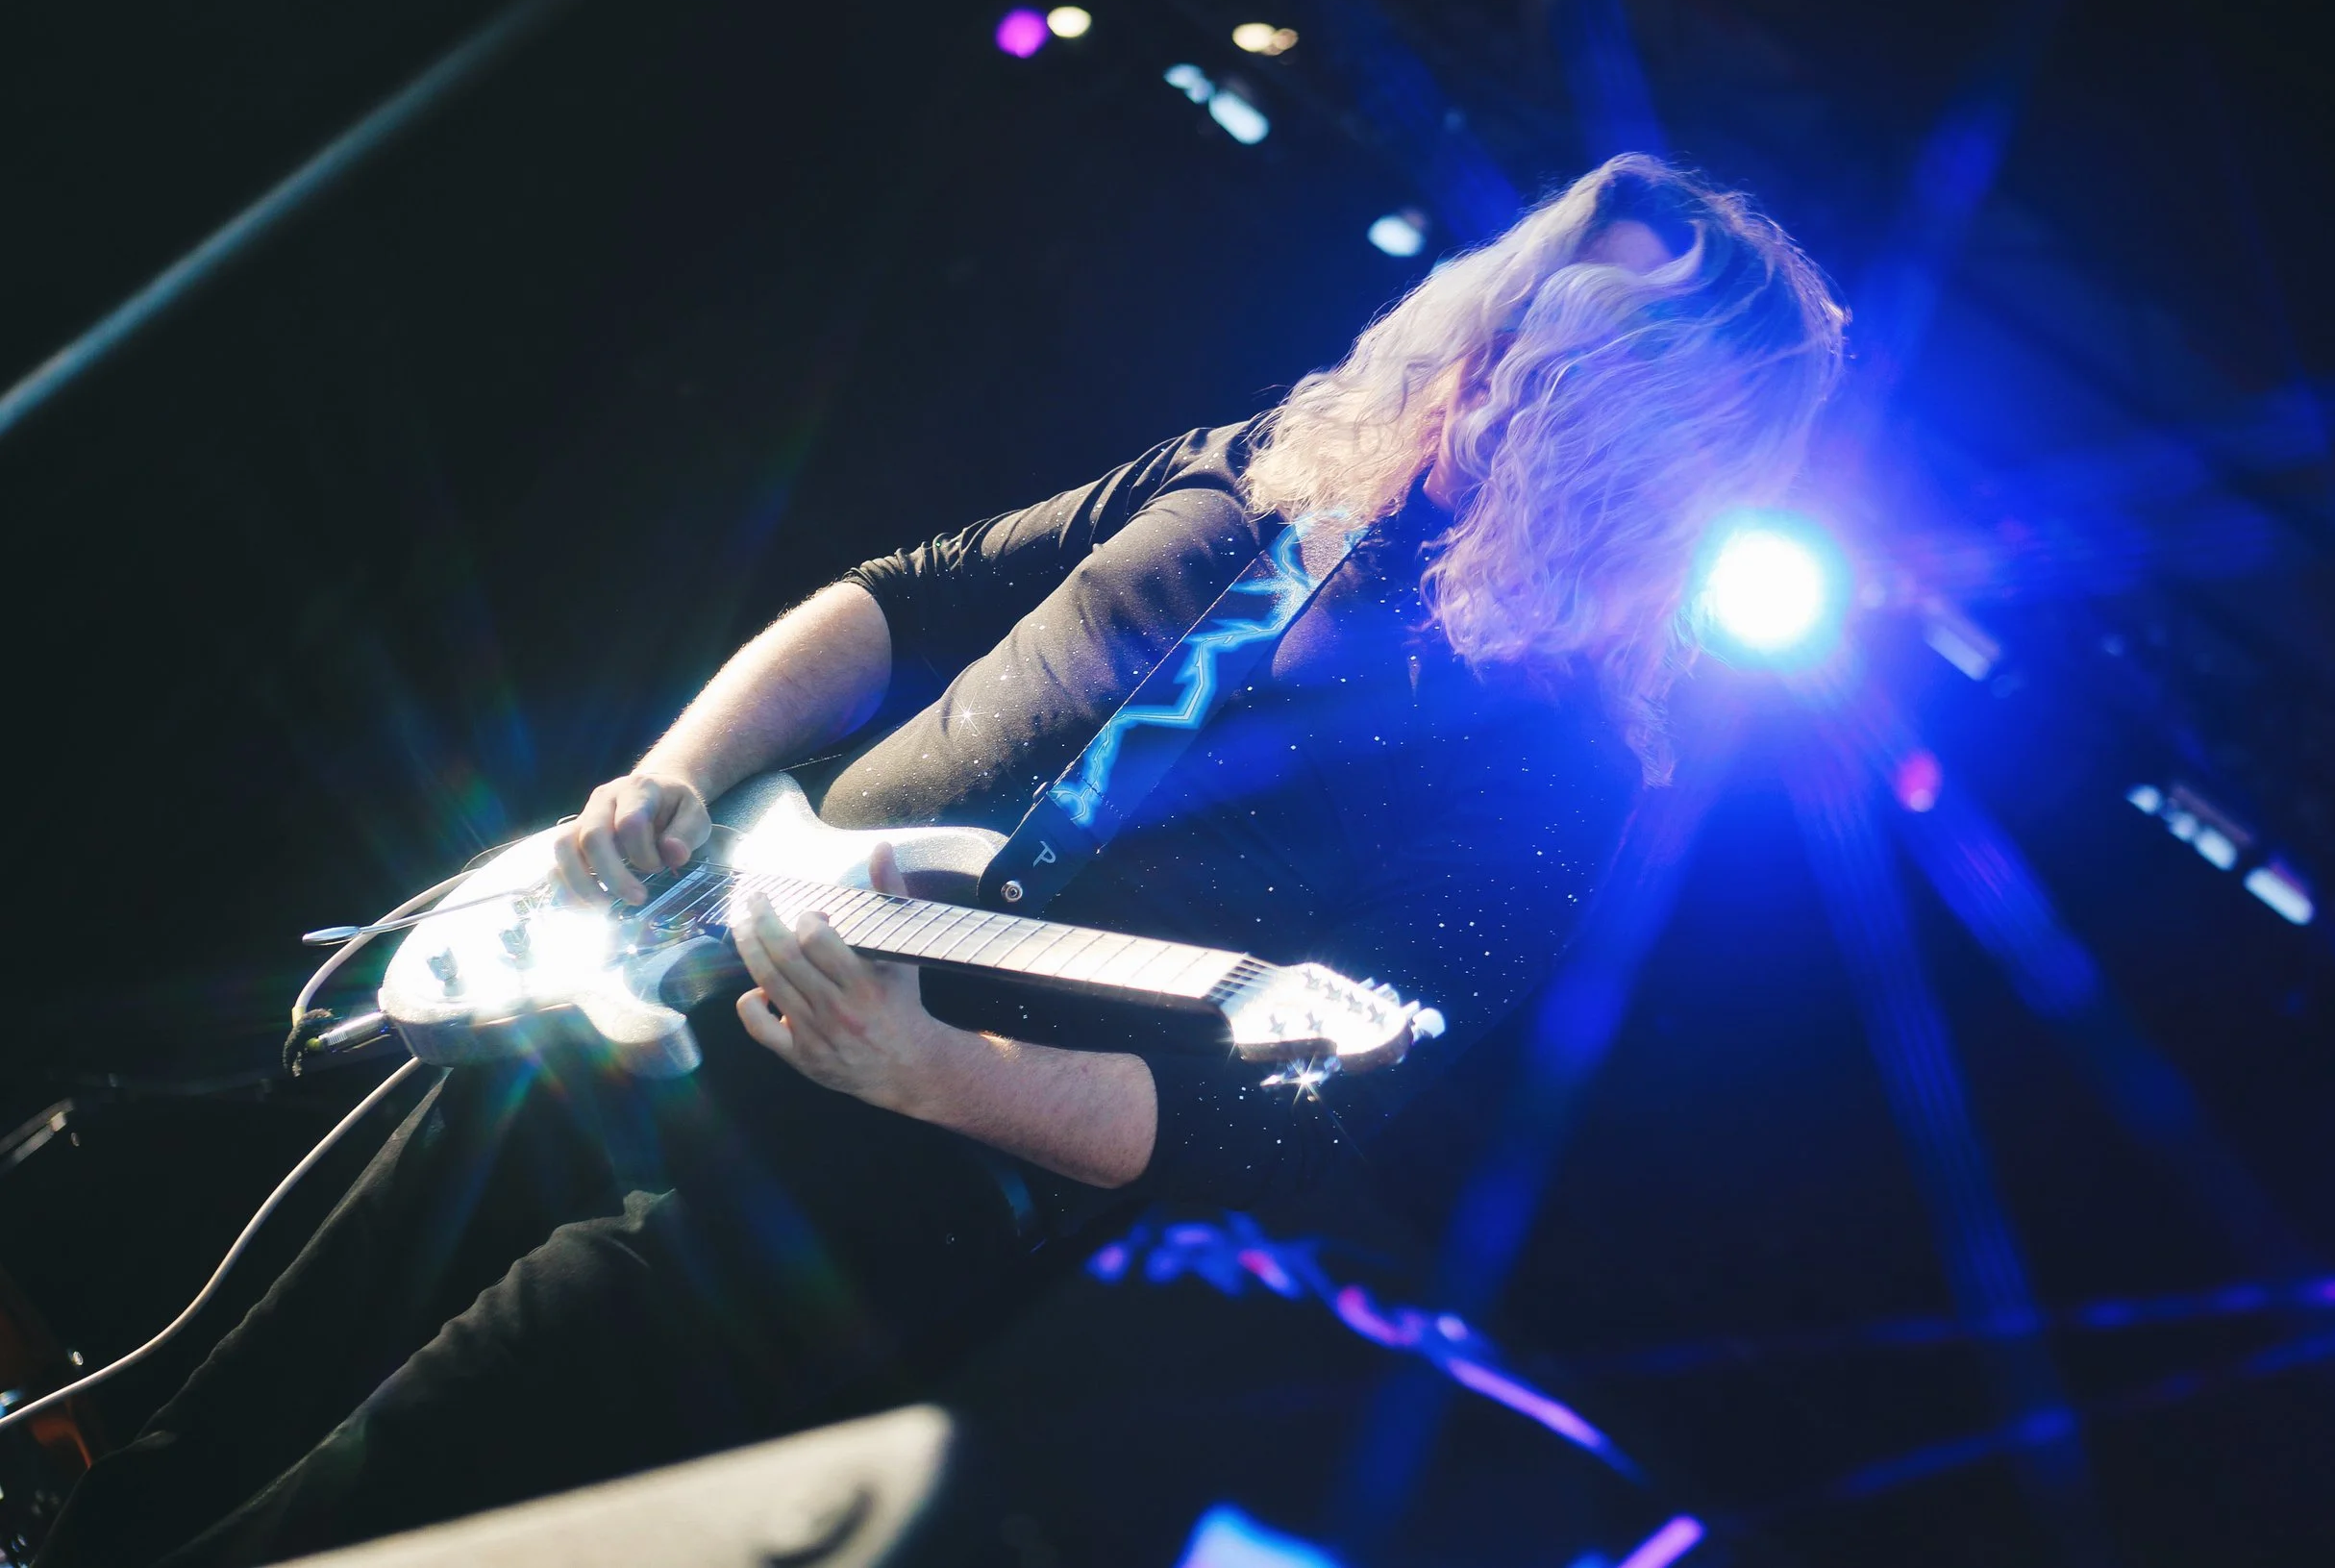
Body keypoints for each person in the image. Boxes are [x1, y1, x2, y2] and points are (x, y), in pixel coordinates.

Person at [37, 154, 1844, 1566]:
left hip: (839, 1214)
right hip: (651, 985)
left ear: (1641, 440)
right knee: (196, 1411)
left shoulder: (1558, 762)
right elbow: (894, 603)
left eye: (1558, 360)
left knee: (339, 1511)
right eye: (1519, 303)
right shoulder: (1257, 465)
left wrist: (937, 1066)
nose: (1498, 354)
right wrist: (671, 776)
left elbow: (1280, 1123)